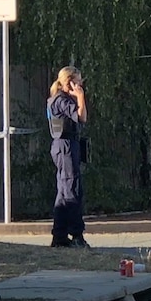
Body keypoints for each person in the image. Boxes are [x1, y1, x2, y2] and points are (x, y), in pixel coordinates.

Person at [47, 66, 89, 247]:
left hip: (63, 146)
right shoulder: (62, 100)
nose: (81, 85)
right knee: (72, 189)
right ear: (69, 82)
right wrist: (80, 97)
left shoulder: (55, 99)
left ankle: (60, 236)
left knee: (63, 193)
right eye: (78, 81)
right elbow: (82, 117)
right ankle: (76, 235)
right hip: (65, 146)